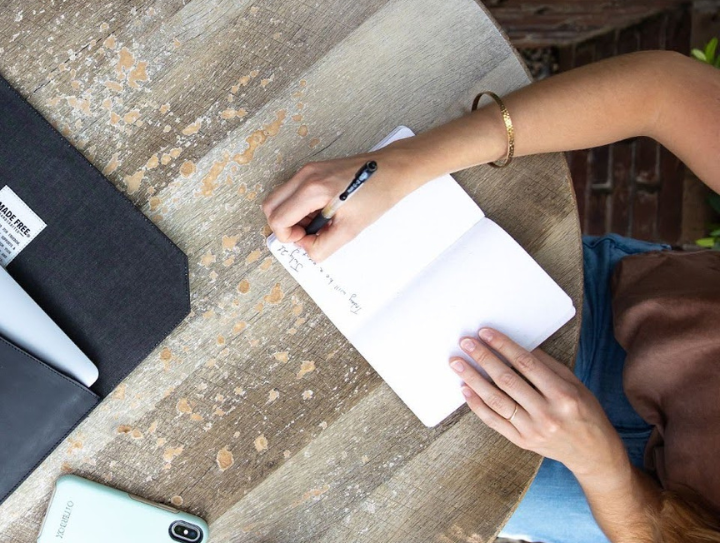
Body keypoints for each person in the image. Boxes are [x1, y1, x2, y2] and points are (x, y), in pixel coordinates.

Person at [263, 49, 720, 542]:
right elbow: (661, 93)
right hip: (628, 322)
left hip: (645, 510)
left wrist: (604, 470)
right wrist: (406, 164)